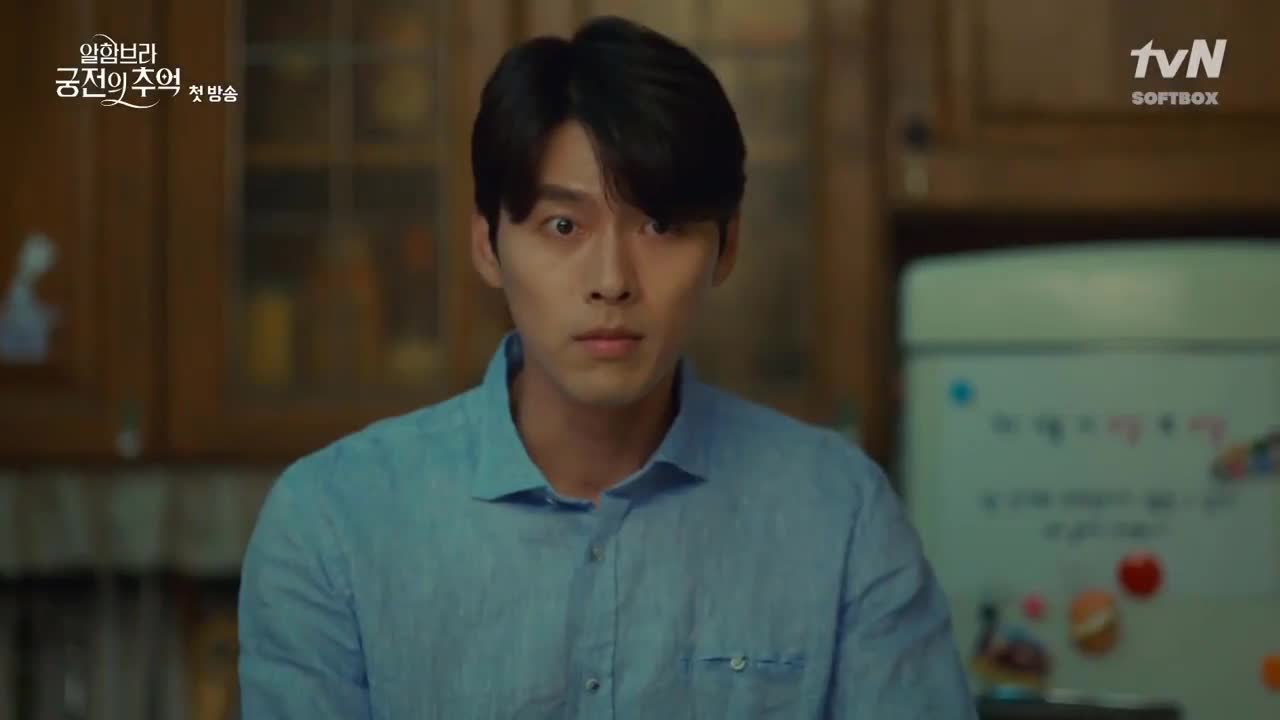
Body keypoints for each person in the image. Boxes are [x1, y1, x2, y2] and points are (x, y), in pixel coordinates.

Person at [238, 15, 976, 720]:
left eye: (660, 226)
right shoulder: (333, 523)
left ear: (726, 248)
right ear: (488, 246)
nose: (612, 281)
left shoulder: (839, 516)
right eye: (563, 226)